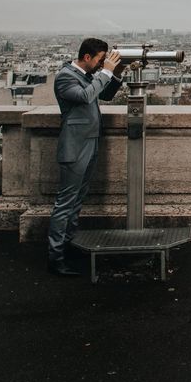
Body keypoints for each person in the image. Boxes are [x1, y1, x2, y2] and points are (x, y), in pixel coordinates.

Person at [48, 38, 124, 276]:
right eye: (101, 60)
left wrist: (116, 72)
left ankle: (68, 246)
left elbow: (106, 95)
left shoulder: (89, 75)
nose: (102, 64)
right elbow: (84, 97)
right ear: (88, 57)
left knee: (77, 200)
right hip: (74, 145)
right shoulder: (65, 77)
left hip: (89, 142)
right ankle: (56, 257)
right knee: (65, 203)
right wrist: (106, 73)